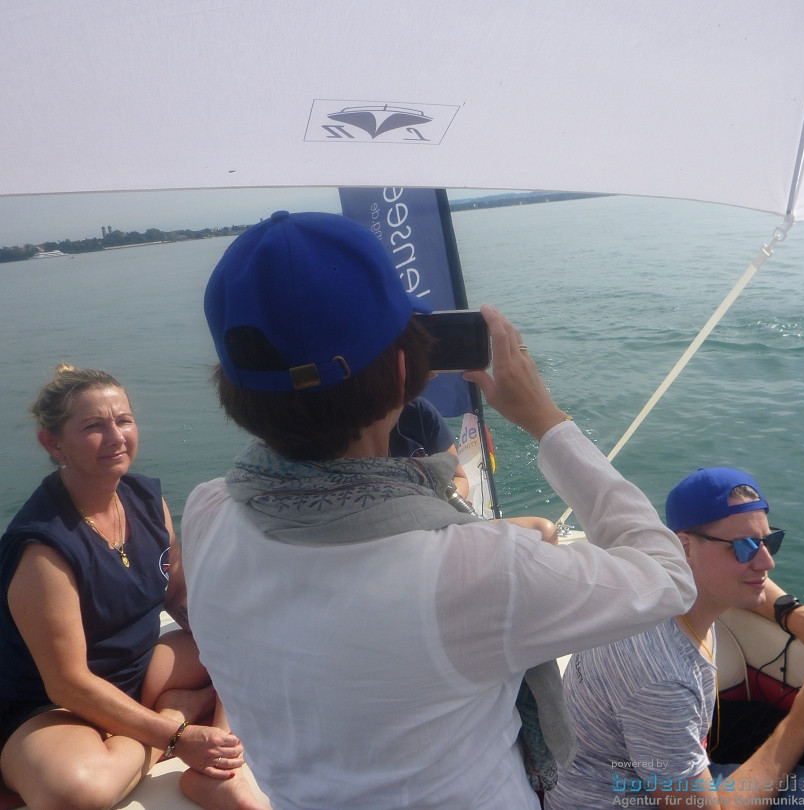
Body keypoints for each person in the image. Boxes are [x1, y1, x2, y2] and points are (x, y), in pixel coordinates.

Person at [181, 210, 696, 809]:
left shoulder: (209, 512)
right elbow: (670, 577)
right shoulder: (480, 570)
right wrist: (547, 422)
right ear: (404, 367)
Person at [546, 466, 804, 809]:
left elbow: (742, 577)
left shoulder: (654, 582)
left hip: (650, 776)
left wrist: (790, 612)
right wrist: (801, 725)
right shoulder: (662, 678)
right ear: (685, 548)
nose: (766, 562)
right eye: (744, 547)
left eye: (769, 541)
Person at [0, 365, 263, 810]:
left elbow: (177, 595)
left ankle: (221, 775)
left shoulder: (145, 500)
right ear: (52, 442)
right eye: (93, 427)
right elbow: (68, 684)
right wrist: (175, 733)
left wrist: (227, 639)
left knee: (253, 637)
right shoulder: (42, 548)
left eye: (123, 420)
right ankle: (176, 711)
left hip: (140, 673)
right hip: (55, 707)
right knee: (77, 792)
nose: (116, 436)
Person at [394, 394, 558, 543]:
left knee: (544, 531)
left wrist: (447, 502)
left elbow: (460, 478)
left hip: (442, 518)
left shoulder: (419, 411)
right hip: (411, 532)